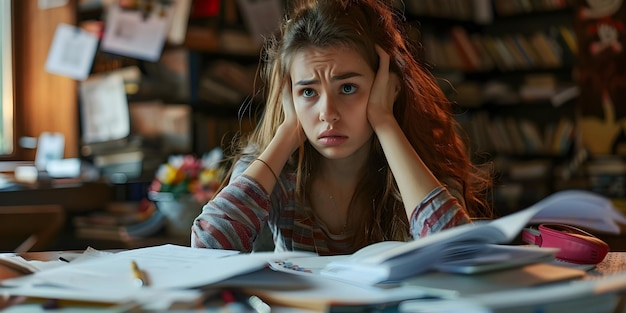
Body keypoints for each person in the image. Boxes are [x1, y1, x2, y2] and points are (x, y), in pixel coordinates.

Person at [191, 0, 492, 256]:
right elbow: (207, 249)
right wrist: (287, 131)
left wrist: (385, 122)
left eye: (348, 87)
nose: (327, 114)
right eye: (308, 92)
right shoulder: (274, 165)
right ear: (289, 96)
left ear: (387, 89)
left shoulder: (419, 164)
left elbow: (457, 254)